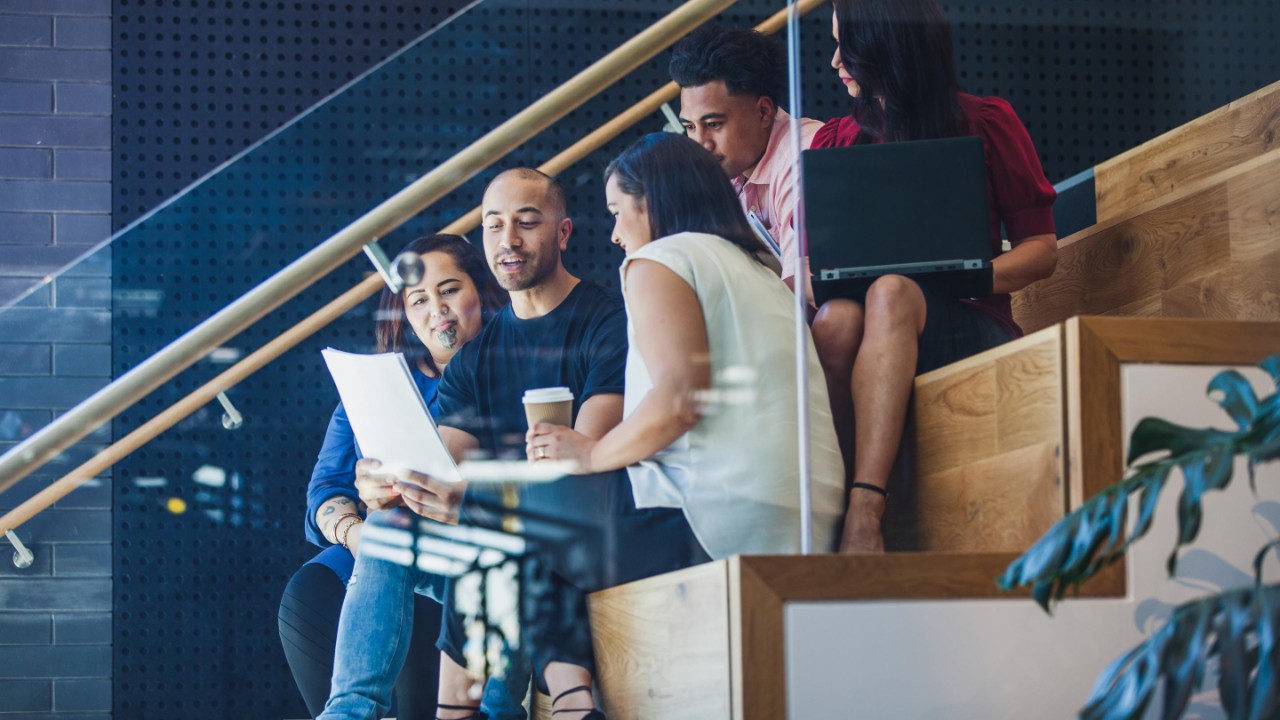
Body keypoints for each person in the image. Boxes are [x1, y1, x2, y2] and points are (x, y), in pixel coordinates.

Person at [320, 169, 701, 720]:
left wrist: (469, 499)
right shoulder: (477, 354)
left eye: (527, 223)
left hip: (577, 534)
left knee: (506, 536)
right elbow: (441, 462)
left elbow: (580, 463)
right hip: (492, 536)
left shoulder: (605, 321)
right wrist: (390, 477)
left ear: (563, 232)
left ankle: (496, 710)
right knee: (386, 529)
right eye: (494, 226)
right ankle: (349, 713)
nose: (509, 240)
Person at [809, 0, 1058, 553]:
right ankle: (829, 506)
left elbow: (1041, 251)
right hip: (874, 324)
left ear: (886, 47)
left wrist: (962, 275)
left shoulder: (986, 121)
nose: (832, 61)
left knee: (892, 292)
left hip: (970, 321)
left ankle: (866, 513)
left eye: (844, 46)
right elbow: (810, 269)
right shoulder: (835, 141)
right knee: (836, 318)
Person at [528, 132, 846, 559]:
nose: (615, 234)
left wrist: (592, 454)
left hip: (719, 515)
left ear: (652, 201)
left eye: (617, 212)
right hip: (809, 520)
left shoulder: (658, 261)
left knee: (511, 515)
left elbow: (680, 398)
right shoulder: (763, 272)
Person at [278, 233, 507, 719]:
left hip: (461, 539)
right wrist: (357, 528)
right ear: (404, 313)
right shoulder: (378, 386)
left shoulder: (510, 367)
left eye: (449, 290)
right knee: (309, 591)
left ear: (480, 291)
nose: (436, 309)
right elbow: (325, 490)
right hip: (380, 543)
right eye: (419, 300)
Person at [669, 25, 823, 286]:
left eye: (714, 124)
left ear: (763, 112)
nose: (700, 143)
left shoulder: (803, 152)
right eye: (690, 127)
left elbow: (802, 291)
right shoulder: (720, 167)